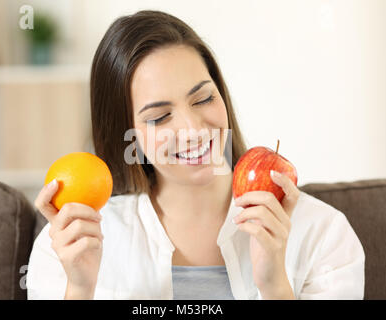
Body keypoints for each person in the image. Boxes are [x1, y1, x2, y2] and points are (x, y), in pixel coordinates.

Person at [26, 10, 365, 300]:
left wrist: (275, 286)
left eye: (203, 99)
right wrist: (80, 290)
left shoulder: (323, 233)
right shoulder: (67, 248)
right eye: (159, 117)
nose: (193, 129)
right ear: (126, 133)